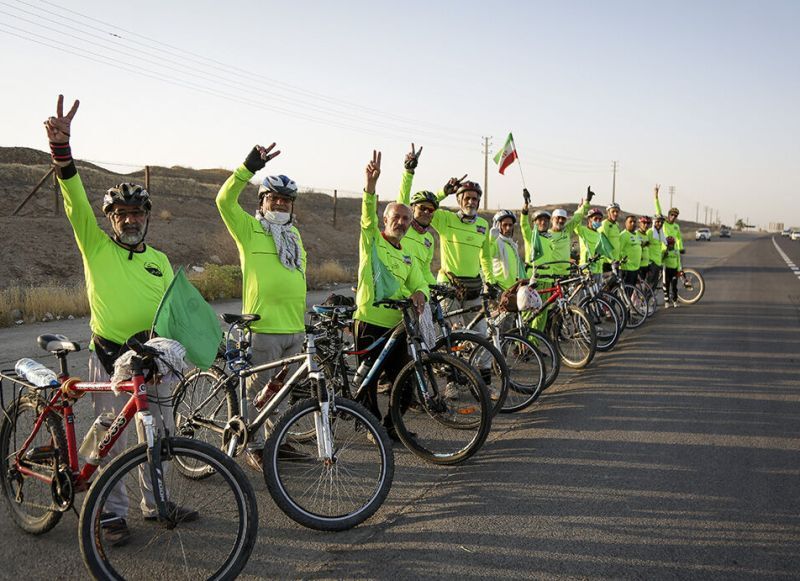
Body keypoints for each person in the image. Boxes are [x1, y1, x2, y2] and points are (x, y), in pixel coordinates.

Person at [44, 95, 195, 547]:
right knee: (110, 438)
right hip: (109, 353)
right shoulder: (97, 246)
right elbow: (73, 200)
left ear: (147, 218)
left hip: (153, 358)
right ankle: (110, 513)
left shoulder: (161, 260)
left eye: (137, 213)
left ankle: (158, 503)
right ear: (110, 219)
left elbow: (178, 310)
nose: (130, 219)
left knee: (159, 436)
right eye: (122, 214)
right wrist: (62, 151)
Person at [215, 143, 307, 470]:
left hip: (294, 329)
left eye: (286, 200)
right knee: (254, 396)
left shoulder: (294, 237)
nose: (280, 204)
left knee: (279, 395)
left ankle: (276, 441)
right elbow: (223, 201)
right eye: (274, 198)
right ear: (263, 201)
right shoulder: (250, 230)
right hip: (264, 330)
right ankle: (251, 444)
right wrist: (248, 167)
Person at [353, 150, 428, 439]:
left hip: (397, 326)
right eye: (396, 217)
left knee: (405, 380)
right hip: (370, 320)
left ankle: (391, 425)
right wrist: (370, 186)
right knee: (368, 382)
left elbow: (419, 282)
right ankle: (372, 426)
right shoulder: (371, 240)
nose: (401, 222)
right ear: (386, 220)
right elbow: (366, 216)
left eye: (406, 219)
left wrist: (420, 293)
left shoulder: (407, 252)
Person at [395, 143, 436, 285]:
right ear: (412, 208)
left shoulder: (429, 239)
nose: (426, 212)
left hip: (417, 294)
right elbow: (402, 199)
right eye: (422, 208)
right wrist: (409, 171)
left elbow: (425, 271)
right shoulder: (403, 228)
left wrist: (437, 287)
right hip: (398, 294)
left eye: (430, 210)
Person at [488, 210, 526, 290]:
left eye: (510, 225)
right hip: (498, 289)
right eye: (504, 225)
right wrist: (491, 240)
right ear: (498, 226)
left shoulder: (512, 245)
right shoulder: (496, 243)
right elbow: (487, 254)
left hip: (512, 289)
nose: (508, 228)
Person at [654, 184, 684, 253]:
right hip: (664, 250)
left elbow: (679, 238)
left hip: (674, 250)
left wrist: (681, 248)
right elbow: (658, 211)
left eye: (675, 216)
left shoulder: (676, 226)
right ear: (669, 215)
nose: (673, 217)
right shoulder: (663, 222)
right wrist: (656, 196)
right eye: (672, 215)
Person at [618, 215, 643, 286]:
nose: (633, 224)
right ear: (626, 223)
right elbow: (618, 251)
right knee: (626, 293)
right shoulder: (623, 235)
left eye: (634, 222)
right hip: (627, 269)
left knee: (630, 293)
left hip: (635, 269)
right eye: (630, 222)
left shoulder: (636, 235)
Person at [598, 202, 622, 271]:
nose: (615, 214)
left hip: (616, 261)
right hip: (607, 262)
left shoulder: (616, 225)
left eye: (617, 212)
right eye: (613, 211)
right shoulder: (605, 224)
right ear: (608, 212)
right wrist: (610, 260)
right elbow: (603, 243)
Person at [647, 214, 668, 293]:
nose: (660, 224)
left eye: (661, 222)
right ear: (654, 222)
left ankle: (647, 302)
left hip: (658, 263)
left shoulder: (659, 233)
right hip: (651, 263)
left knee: (653, 286)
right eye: (658, 221)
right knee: (648, 286)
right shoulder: (650, 232)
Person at [662, 236, 682, 308]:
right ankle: (667, 301)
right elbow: (661, 261)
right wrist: (664, 255)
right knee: (666, 286)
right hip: (666, 270)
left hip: (674, 271)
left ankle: (675, 300)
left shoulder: (676, 251)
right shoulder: (664, 251)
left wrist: (679, 270)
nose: (670, 246)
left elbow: (679, 261)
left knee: (674, 286)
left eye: (672, 244)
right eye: (669, 244)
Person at [637, 216, 653, 285]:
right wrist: (643, 244)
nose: (646, 225)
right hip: (638, 266)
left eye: (648, 223)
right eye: (644, 223)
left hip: (645, 265)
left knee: (642, 287)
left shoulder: (646, 235)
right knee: (636, 289)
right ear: (639, 224)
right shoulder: (636, 234)